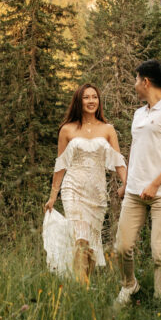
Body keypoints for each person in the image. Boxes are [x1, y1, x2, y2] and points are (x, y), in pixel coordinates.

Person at [114, 60, 161, 305]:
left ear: (146, 82)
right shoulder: (139, 114)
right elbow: (136, 150)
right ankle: (130, 286)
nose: (134, 85)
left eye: (136, 80)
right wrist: (127, 183)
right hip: (134, 192)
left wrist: (155, 184)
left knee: (159, 253)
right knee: (122, 247)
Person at [44, 83, 127, 284]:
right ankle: (83, 288)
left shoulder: (107, 129)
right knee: (80, 238)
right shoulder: (67, 130)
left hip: (97, 193)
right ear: (79, 101)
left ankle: (82, 284)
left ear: (99, 101)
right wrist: (53, 196)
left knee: (90, 244)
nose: (91, 101)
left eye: (94, 97)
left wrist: (127, 184)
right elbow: (60, 165)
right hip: (73, 189)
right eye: (86, 97)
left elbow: (118, 161)